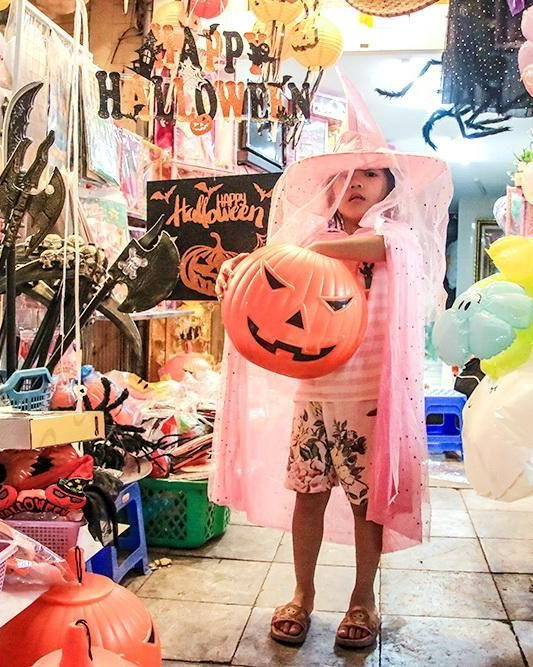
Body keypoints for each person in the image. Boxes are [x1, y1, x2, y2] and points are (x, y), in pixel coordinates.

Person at [211, 76, 452, 650]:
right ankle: (302, 593)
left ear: (389, 186)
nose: (357, 183)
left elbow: (387, 252)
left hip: (373, 394)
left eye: (370, 173)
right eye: (346, 174)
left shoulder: (395, 236)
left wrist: (313, 251)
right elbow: (271, 281)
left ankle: (363, 599)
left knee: (368, 503)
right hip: (315, 388)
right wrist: (239, 274)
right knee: (309, 494)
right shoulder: (307, 240)